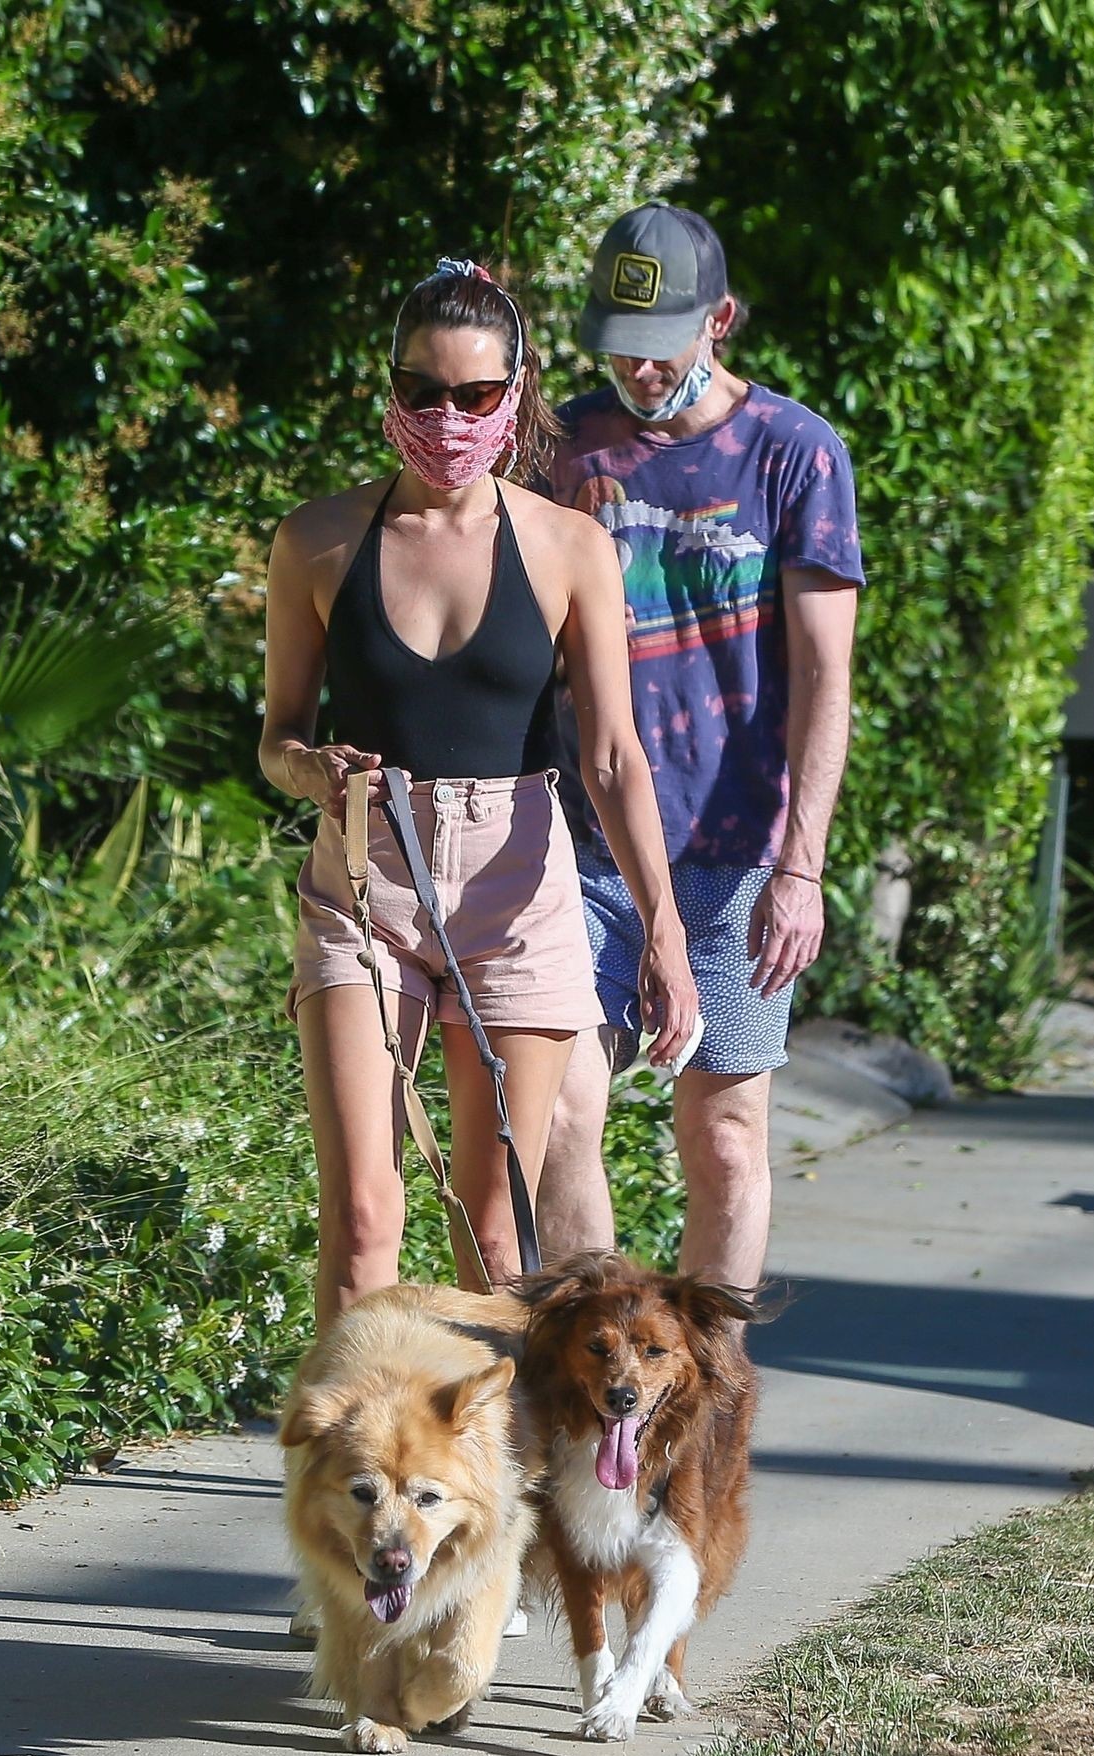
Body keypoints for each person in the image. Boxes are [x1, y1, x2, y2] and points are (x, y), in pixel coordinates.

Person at [259, 257, 698, 1327]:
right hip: (368, 878)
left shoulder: (568, 546)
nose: (446, 419)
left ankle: (481, 1440)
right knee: (362, 1219)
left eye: (474, 395)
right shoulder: (318, 539)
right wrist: (310, 769)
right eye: (422, 391)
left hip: (516, 884)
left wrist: (663, 931)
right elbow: (277, 737)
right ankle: (353, 1439)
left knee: (495, 1235)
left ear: (515, 393)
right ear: (389, 390)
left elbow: (612, 757)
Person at [536, 201, 864, 1296]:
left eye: (660, 344)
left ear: (718, 320)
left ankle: (707, 1386)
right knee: (561, 1112)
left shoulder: (793, 453)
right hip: (579, 843)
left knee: (723, 1141)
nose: (636, 369)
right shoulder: (559, 448)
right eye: (617, 346)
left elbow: (824, 677)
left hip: (732, 853)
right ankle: (591, 1380)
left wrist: (800, 868)